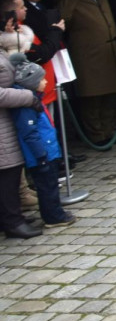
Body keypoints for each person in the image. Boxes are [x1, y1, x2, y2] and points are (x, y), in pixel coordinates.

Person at [59, 0, 116, 144]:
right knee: (92, 97)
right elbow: (65, 17)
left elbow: (109, 20)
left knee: (111, 94)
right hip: (87, 56)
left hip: (107, 51)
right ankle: (97, 135)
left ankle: (110, 131)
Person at [7, 52, 75, 228]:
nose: (46, 82)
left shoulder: (35, 101)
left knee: (51, 185)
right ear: (33, 84)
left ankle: (55, 212)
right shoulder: (27, 107)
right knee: (47, 187)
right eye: (42, 80)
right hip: (41, 155)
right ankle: (53, 217)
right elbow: (30, 133)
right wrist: (41, 155)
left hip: (47, 151)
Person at [0, 47, 47, 239]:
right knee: (7, 174)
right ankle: (12, 222)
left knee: (11, 173)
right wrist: (27, 97)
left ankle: (11, 217)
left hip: (7, 119)